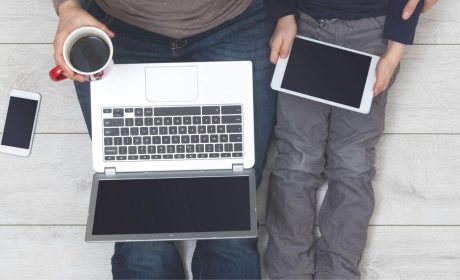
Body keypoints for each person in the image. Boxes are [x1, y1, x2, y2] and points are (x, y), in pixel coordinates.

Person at [51, 0, 277, 278]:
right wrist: (68, 7)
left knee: (231, 227)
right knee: (141, 240)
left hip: (235, 20)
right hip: (115, 26)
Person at [265, 0, 436, 279]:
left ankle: (339, 271)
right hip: (304, 24)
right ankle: (288, 270)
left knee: (353, 166)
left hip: (374, 34)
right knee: (296, 161)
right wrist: (283, 17)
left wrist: (393, 53)